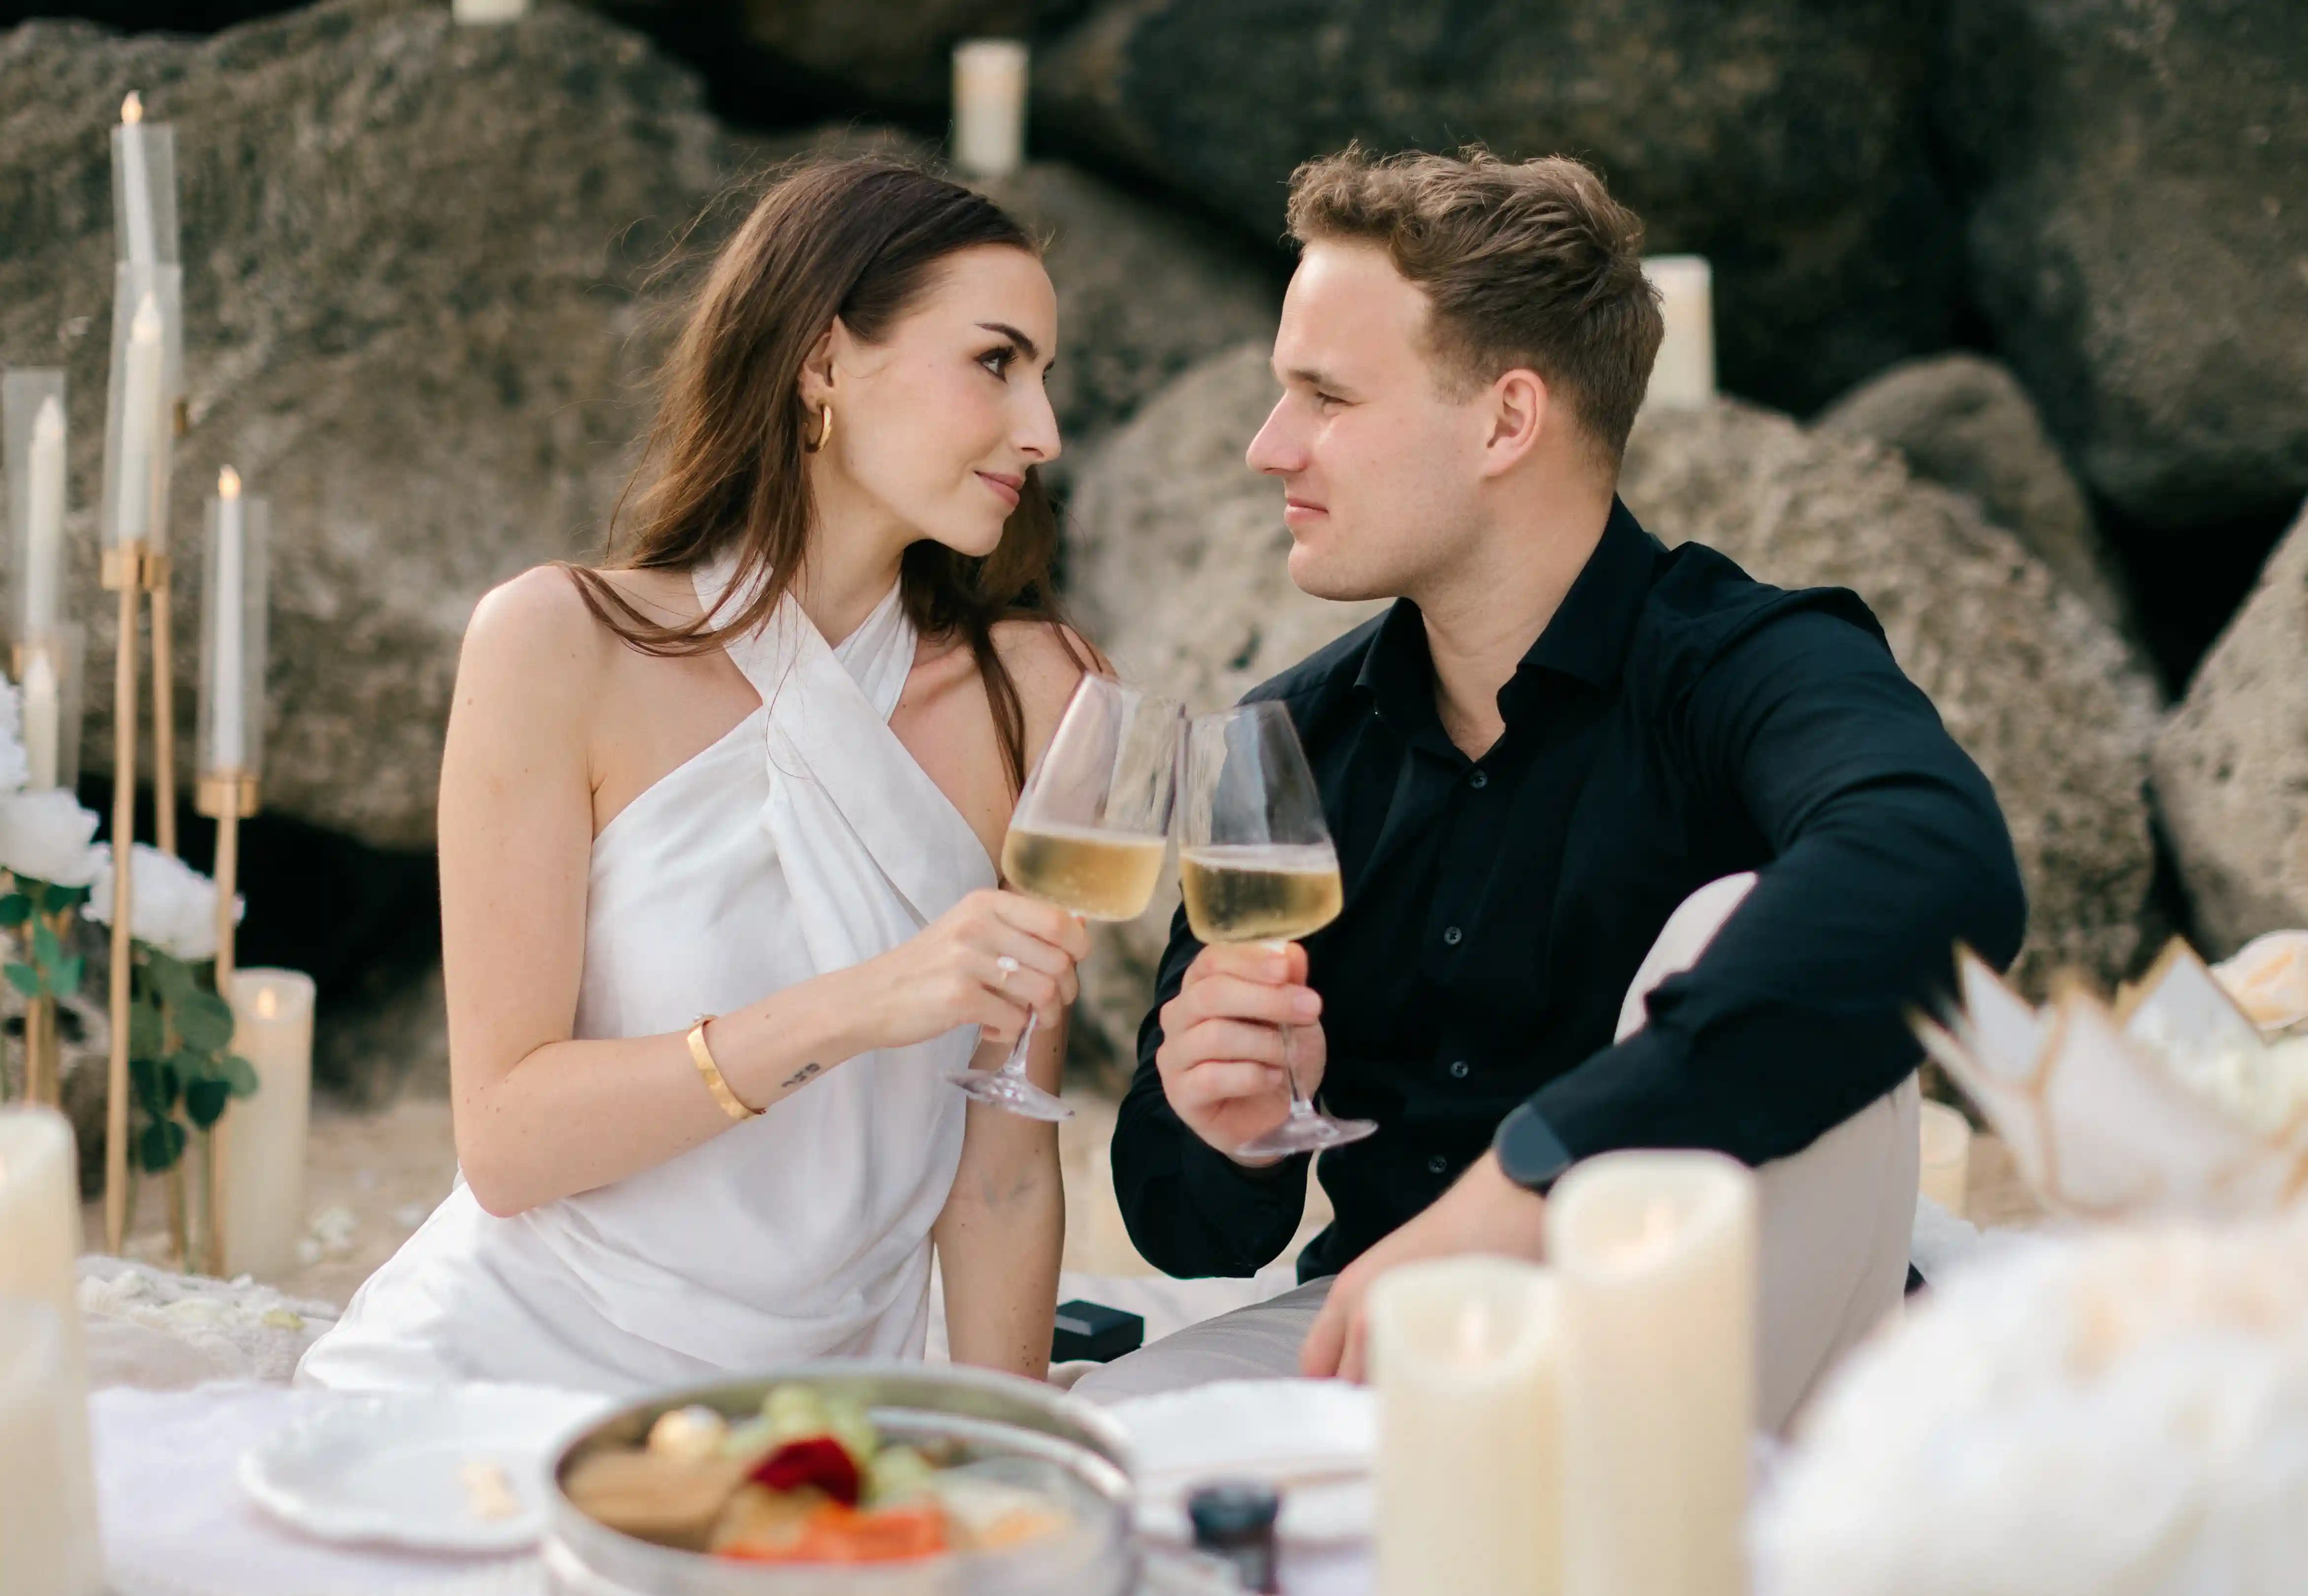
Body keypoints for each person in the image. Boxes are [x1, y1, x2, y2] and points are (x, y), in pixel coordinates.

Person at [1086, 148, 2026, 1424]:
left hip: (1732, 1320)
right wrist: (1227, 1123)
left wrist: (1540, 1169)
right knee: (1091, 1464)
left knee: (1736, 920)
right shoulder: (1293, 738)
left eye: (1325, 395)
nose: (1268, 447)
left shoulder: (1747, 661)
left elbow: (1940, 869)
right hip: (1412, 1329)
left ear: (1506, 421)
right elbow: (1184, 1232)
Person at [300, 158, 1097, 1394]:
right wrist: (860, 1003)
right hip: (500, 1376)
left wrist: (1002, 1450)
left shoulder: (1038, 695)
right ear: (823, 362)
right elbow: (506, 1144)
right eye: (997, 362)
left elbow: (1000, 1174)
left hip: (825, 1413)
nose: (1041, 429)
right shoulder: (556, 643)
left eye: (1043, 375)